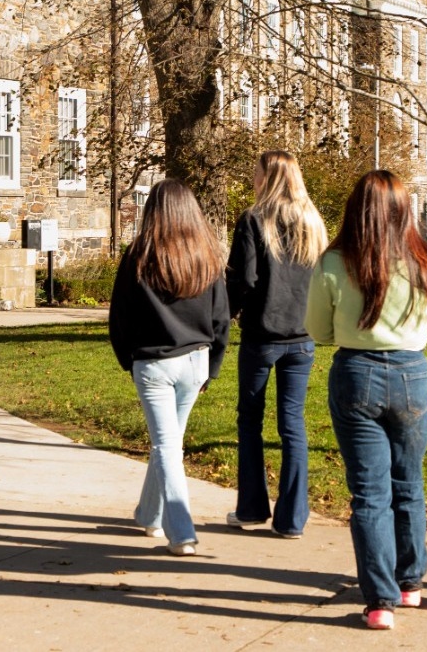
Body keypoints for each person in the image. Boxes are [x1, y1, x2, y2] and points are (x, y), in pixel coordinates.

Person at [305, 171, 427, 630]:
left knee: (369, 493)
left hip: (356, 372)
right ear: (404, 210)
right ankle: (411, 582)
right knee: (408, 481)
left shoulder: (334, 262)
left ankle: (379, 603)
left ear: (356, 210)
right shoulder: (426, 260)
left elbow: (317, 331)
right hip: (412, 373)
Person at [109, 179, 231, 557]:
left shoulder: (138, 256)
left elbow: (119, 318)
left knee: (166, 445)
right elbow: (221, 318)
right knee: (169, 443)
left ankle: (181, 532)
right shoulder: (207, 255)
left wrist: (129, 360)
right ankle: (149, 514)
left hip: (155, 364)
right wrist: (212, 367)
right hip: (195, 360)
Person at [225, 151, 329, 539]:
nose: (253, 177)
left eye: (256, 172)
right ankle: (292, 518)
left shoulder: (254, 220)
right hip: (302, 337)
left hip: (262, 335)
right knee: (293, 425)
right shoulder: (312, 222)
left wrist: (225, 315)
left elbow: (244, 279)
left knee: (250, 419)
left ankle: (251, 507)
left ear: (268, 177)